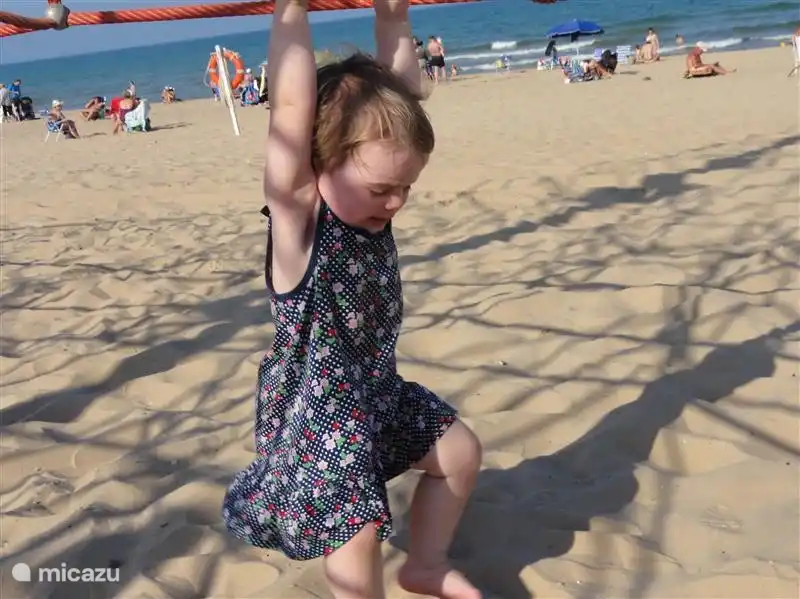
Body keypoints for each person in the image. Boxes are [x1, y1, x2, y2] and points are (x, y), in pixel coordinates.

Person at [221, 1, 483, 598]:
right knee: (355, 531)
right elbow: (290, 110)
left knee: (460, 454)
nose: (395, 203)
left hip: (376, 392)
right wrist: (291, 10)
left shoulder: (369, 206)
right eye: (381, 188)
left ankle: (425, 564)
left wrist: (393, 13)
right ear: (318, 161)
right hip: (317, 416)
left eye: (406, 188)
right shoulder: (301, 217)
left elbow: (403, 86)